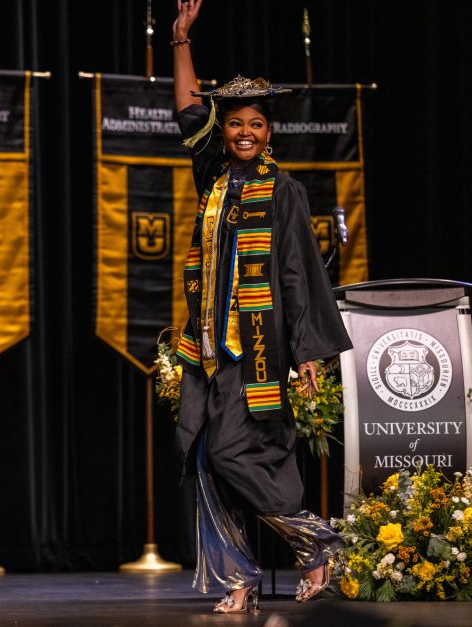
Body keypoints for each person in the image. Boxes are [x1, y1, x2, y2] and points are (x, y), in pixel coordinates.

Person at [170, 0, 353, 614]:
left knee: (234, 453)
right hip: (210, 351)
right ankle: (239, 580)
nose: (244, 132)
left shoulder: (285, 191)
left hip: (259, 352)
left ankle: (319, 541)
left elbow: (301, 274)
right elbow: (189, 108)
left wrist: (307, 353)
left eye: (255, 123)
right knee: (207, 461)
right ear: (223, 133)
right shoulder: (213, 179)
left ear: (269, 130)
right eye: (234, 124)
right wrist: (180, 41)